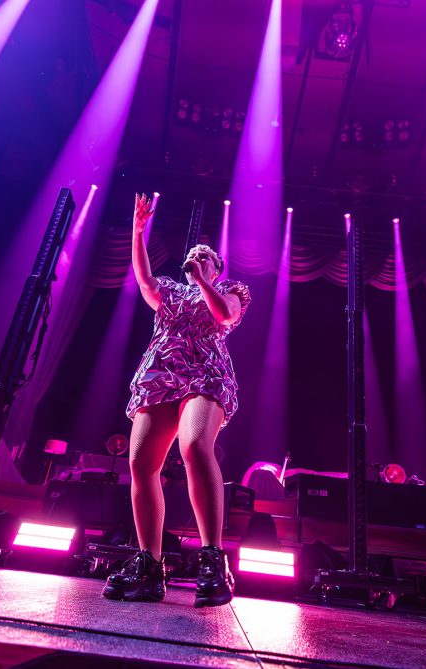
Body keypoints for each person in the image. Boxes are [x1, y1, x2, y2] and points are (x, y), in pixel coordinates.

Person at [102, 193, 251, 607]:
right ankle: (149, 564)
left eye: (206, 256)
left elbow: (224, 315)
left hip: (206, 372)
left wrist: (204, 280)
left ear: (217, 267)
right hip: (160, 374)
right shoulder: (169, 291)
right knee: (140, 464)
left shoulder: (232, 289)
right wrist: (137, 231)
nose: (197, 257)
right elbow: (145, 278)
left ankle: (212, 559)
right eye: (193, 255)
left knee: (193, 445)